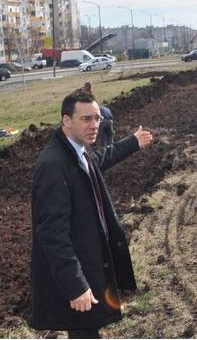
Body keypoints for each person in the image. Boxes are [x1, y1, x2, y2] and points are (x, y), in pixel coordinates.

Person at [30, 90, 153, 339]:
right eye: (86, 119)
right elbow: (52, 234)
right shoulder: (54, 166)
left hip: (88, 265)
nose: (94, 125)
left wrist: (132, 142)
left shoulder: (77, 152)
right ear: (67, 121)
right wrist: (76, 287)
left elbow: (100, 160)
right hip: (76, 275)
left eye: (97, 118)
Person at [80, 82, 115, 149]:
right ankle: (112, 150)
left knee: (101, 139)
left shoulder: (87, 97)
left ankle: (103, 152)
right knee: (110, 138)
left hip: (103, 121)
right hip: (109, 121)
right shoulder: (104, 109)